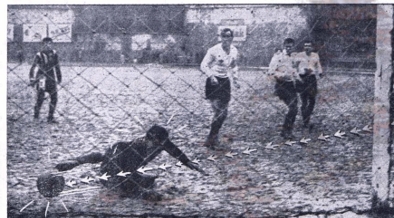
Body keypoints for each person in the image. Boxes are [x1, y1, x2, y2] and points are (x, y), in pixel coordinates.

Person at [54, 125, 205, 201]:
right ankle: (75, 162)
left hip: (130, 171)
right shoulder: (133, 149)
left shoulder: (160, 142)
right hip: (113, 175)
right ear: (149, 140)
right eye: (158, 144)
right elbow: (125, 173)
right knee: (141, 190)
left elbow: (174, 150)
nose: (161, 147)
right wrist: (142, 192)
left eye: (163, 144)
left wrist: (188, 162)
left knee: (152, 183)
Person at [200, 28, 240, 149]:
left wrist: (236, 79)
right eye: (224, 36)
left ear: (232, 38)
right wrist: (211, 75)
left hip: (225, 81)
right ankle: (211, 139)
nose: (226, 39)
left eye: (229, 36)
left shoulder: (234, 50)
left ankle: (213, 136)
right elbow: (203, 65)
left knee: (224, 113)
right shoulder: (213, 50)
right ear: (220, 37)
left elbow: (233, 66)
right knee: (219, 111)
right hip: (213, 81)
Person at [268, 38, 302, 139]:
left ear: (293, 47)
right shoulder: (278, 57)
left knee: (294, 109)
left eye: (290, 47)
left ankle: (287, 130)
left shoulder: (294, 57)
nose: (288, 48)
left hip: (291, 85)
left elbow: (294, 71)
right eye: (287, 46)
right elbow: (271, 71)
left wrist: (299, 79)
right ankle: (286, 130)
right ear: (283, 46)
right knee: (292, 107)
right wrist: (282, 75)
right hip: (281, 85)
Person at [29, 37, 62, 123]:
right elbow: (33, 67)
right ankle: (36, 115)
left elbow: (57, 67)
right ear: (42, 45)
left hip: (51, 78)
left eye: (49, 44)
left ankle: (50, 117)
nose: (47, 45)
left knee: (54, 97)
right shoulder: (39, 55)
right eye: (45, 44)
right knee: (40, 97)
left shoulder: (54, 54)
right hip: (41, 78)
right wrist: (32, 78)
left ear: (52, 44)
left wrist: (59, 78)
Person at [295, 41, 323, 130]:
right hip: (302, 78)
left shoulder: (315, 55)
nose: (307, 47)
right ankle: (305, 121)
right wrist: (298, 73)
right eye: (305, 46)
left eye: (309, 46)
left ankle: (307, 115)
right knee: (304, 100)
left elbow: (318, 65)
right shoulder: (299, 55)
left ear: (312, 47)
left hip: (311, 79)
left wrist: (320, 73)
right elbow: (294, 66)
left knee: (312, 100)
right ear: (303, 47)